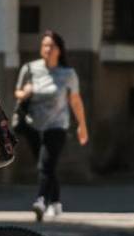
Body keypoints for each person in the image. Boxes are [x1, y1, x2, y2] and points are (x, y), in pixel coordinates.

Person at [14, 30, 88, 221]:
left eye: (52, 46)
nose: (47, 49)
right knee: (47, 167)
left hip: (57, 126)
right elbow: (18, 93)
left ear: (59, 50)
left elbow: (75, 100)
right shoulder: (30, 68)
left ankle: (40, 201)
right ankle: (56, 202)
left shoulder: (67, 74)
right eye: (45, 45)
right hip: (33, 125)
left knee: (45, 165)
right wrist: (26, 93)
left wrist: (82, 125)